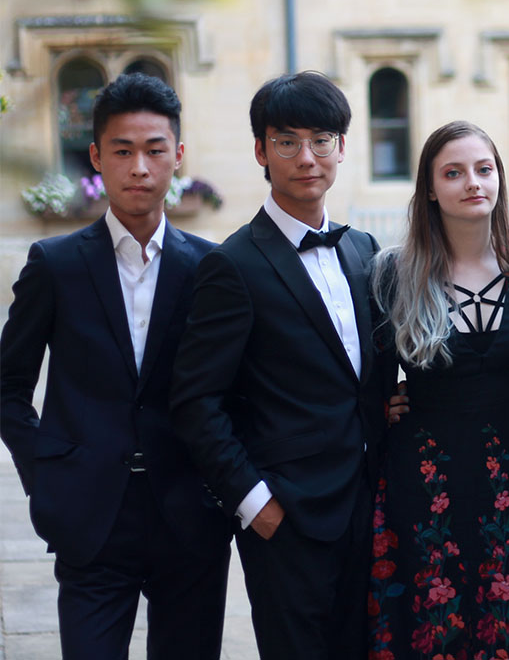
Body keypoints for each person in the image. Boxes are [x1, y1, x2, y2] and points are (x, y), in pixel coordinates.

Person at [0, 72, 231, 659]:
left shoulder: (212, 268)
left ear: (177, 157)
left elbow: (238, 388)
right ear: (97, 156)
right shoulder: (55, 264)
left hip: (189, 516)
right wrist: (46, 474)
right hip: (89, 517)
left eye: (155, 151)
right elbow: (7, 388)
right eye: (122, 151)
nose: (139, 168)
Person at [169, 71, 385, 659]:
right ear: (262, 151)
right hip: (287, 518)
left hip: (373, 507)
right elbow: (195, 401)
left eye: (321, 139)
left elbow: (366, 375)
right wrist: (253, 502)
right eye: (287, 141)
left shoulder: (362, 249)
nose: (306, 157)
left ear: (342, 146)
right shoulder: (233, 264)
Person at [367, 121, 509, 660]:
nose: (472, 183)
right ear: (430, 189)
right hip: (419, 479)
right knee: (432, 624)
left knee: (506, 622)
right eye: (453, 173)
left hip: (503, 473)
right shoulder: (394, 274)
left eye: (484, 170)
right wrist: (374, 405)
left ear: (500, 178)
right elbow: (356, 369)